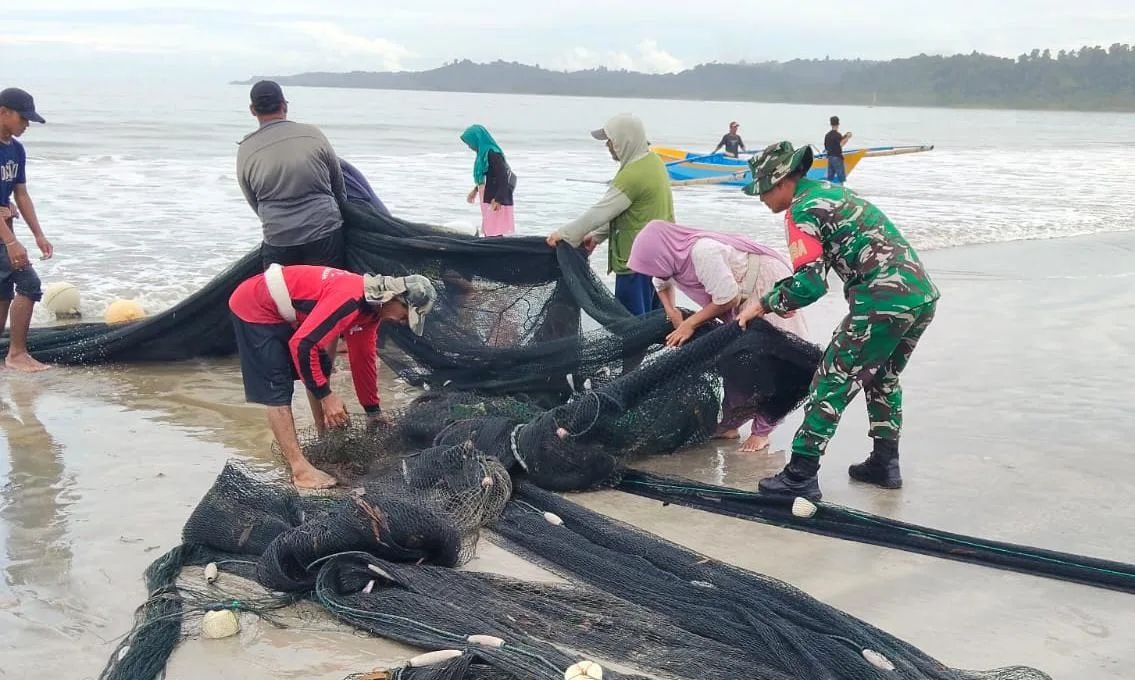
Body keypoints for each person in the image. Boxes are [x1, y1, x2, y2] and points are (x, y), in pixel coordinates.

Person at [738, 141, 939, 501]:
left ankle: (800, 475)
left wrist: (764, 304)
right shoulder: (831, 193)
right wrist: (782, 299)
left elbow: (811, 285)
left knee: (832, 379)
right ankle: (884, 463)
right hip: (919, 296)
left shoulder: (801, 210)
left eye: (763, 191)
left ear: (781, 182)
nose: (762, 199)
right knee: (883, 377)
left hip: (883, 300)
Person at [228, 264, 438, 489]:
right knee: (278, 385)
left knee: (319, 365)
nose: (403, 322)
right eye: (405, 316)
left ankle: (323, 434)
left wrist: (373, 411)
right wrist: (326, 396)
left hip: (285, 309)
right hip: (255, 304)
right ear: (395, 298)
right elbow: (302, 345)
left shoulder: (372, 311)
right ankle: (300, 470)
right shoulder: (351, 299)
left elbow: (363, 358)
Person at [628, 219, 808, 452]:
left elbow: (728, 298)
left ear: (661, 253)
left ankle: (762, 431)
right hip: (736, 296)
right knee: (738, 363)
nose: (651, 270)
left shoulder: (703, 252)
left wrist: (690, 323)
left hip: (764, 284)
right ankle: (730, 425)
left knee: (775, 361)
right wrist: (672, 313)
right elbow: (660, 282)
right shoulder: (670, 260)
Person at [546, 114, 674, 316]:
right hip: (661, 261)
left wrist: (564, 234)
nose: (607, 145)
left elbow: (601, 211)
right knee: (655, 321)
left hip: (636, 265)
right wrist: (597, 236)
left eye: (611, 140)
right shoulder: (654, 162)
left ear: (624, 140)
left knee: (631, 324)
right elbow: (625, 210)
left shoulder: (632, 175)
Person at [237, 80, 346, 271]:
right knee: (326, 287)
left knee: (283, 290)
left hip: (278, 237)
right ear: (284, 106)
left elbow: (253, 200)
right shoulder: (312, 134)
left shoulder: (246, 149)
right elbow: (338, 183)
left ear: (253, 110)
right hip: (324, 229)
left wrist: (278, 222)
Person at [0, 88, 52, 373]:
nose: (27, 125)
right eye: (23, 118)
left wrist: (38, 234)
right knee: (29, 283)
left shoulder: (16, 149)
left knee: (3, 292)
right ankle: (17, 354)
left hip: (4, 228)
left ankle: (10, 355)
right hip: (3, 233)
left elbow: (21, 193)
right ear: (3, 112)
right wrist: (11, 243)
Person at [461, 124, 515, 237]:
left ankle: (495, 247)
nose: (469, 146)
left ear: (477, 140)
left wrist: (498, 199)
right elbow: (487, 175)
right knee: (489, 227)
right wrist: (475, 190)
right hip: (488, 195)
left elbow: (503, 177)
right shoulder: (483, 154)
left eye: (470, 143)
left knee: (494, 229)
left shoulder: (492, 154)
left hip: (495, 197)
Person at [823, 116, 852, 184]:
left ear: (831, 124)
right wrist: (847, 137)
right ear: (838, 124)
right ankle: (843, 189)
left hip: (830, 158)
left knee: (830, 178)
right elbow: (841, 144)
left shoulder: (827, 135)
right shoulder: (838, 135)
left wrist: (844, 136)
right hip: (837, 158)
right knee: (841, 178)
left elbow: (826, 147)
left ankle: (828, 188)